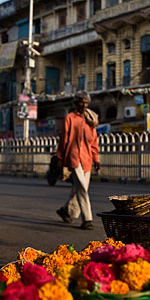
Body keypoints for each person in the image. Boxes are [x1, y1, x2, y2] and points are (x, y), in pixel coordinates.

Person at [55, 90, 100, 230]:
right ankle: (87, 219)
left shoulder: (90, 119)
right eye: (82, 102)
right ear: (76, 103)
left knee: (80, 188)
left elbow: (94, 142)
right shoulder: (70, 118)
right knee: (81, 188)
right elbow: (64, 140)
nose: (84, 105)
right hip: (74, 157)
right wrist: (60, 158)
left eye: (86, 103)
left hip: (87, 159)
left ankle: (65, 210)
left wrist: (96, 158)